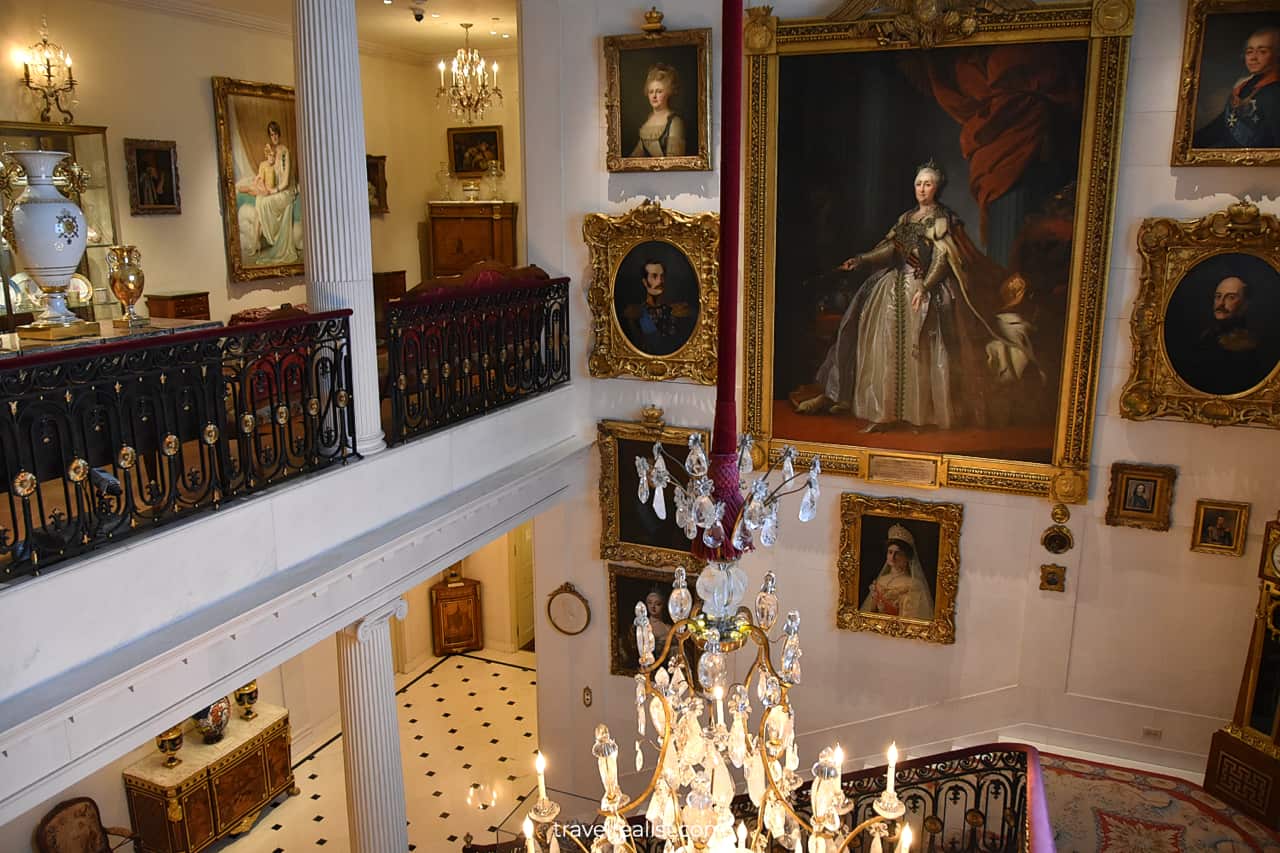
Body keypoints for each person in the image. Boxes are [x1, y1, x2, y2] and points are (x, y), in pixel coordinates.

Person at [795, 161, 1015, 431]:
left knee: (922, 351)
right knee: (884, 347)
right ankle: (886, 412)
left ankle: (921, 415)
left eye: (928, 184)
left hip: (926, 290)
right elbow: (890, 250)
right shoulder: (906, 218)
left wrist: (925, 286)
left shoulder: (942, 219)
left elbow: (942, 258)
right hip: (893, 287)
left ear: (937, 188)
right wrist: (861, 259)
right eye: (919, 184)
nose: (922, 189)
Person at [1173, 275, 1273, 395]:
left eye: (1231, 297)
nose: (1221, 303)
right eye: (1218, 296)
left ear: (1246, 304)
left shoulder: (1251, 347)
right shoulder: (1206, 336)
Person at [1193, 26, 1280, 149]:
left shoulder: (1275, 93)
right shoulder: (1244, 87)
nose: (1253, 58)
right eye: (1249, 52)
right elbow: (1221, 126)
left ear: (1277, 54)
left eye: (1262, 51)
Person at [239, 120, 299, 264]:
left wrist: (272, 191)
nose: (274, 137)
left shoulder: (285, 153)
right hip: (276, 190)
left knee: (266, 202)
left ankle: (275, 238)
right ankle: (259, 242)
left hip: (285, 191)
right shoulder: (272, 153)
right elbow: (267, 173)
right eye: (271, 134)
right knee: (260, 200)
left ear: (279, 133)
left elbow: (284, 183)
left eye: (276, 133)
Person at [619, 259, 695, 355]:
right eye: (654, 276)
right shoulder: (633, 312)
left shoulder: (679, 311)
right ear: (645, 281)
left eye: (662, 276)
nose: (660, 281)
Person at [860, 523, 935, 620]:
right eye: (890, 552)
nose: (892, 557)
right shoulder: (881, 580)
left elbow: (913, 617)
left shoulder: (914, 584)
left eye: (898, 553)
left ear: (907, 557)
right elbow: (869, 612)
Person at [630, 64, 686, 158]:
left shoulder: (675, 122)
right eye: (651, 92)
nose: (654, 96)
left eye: (659, 91)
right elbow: (635, 157)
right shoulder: (648, 122)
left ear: (668, 93)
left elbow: (675, 162)